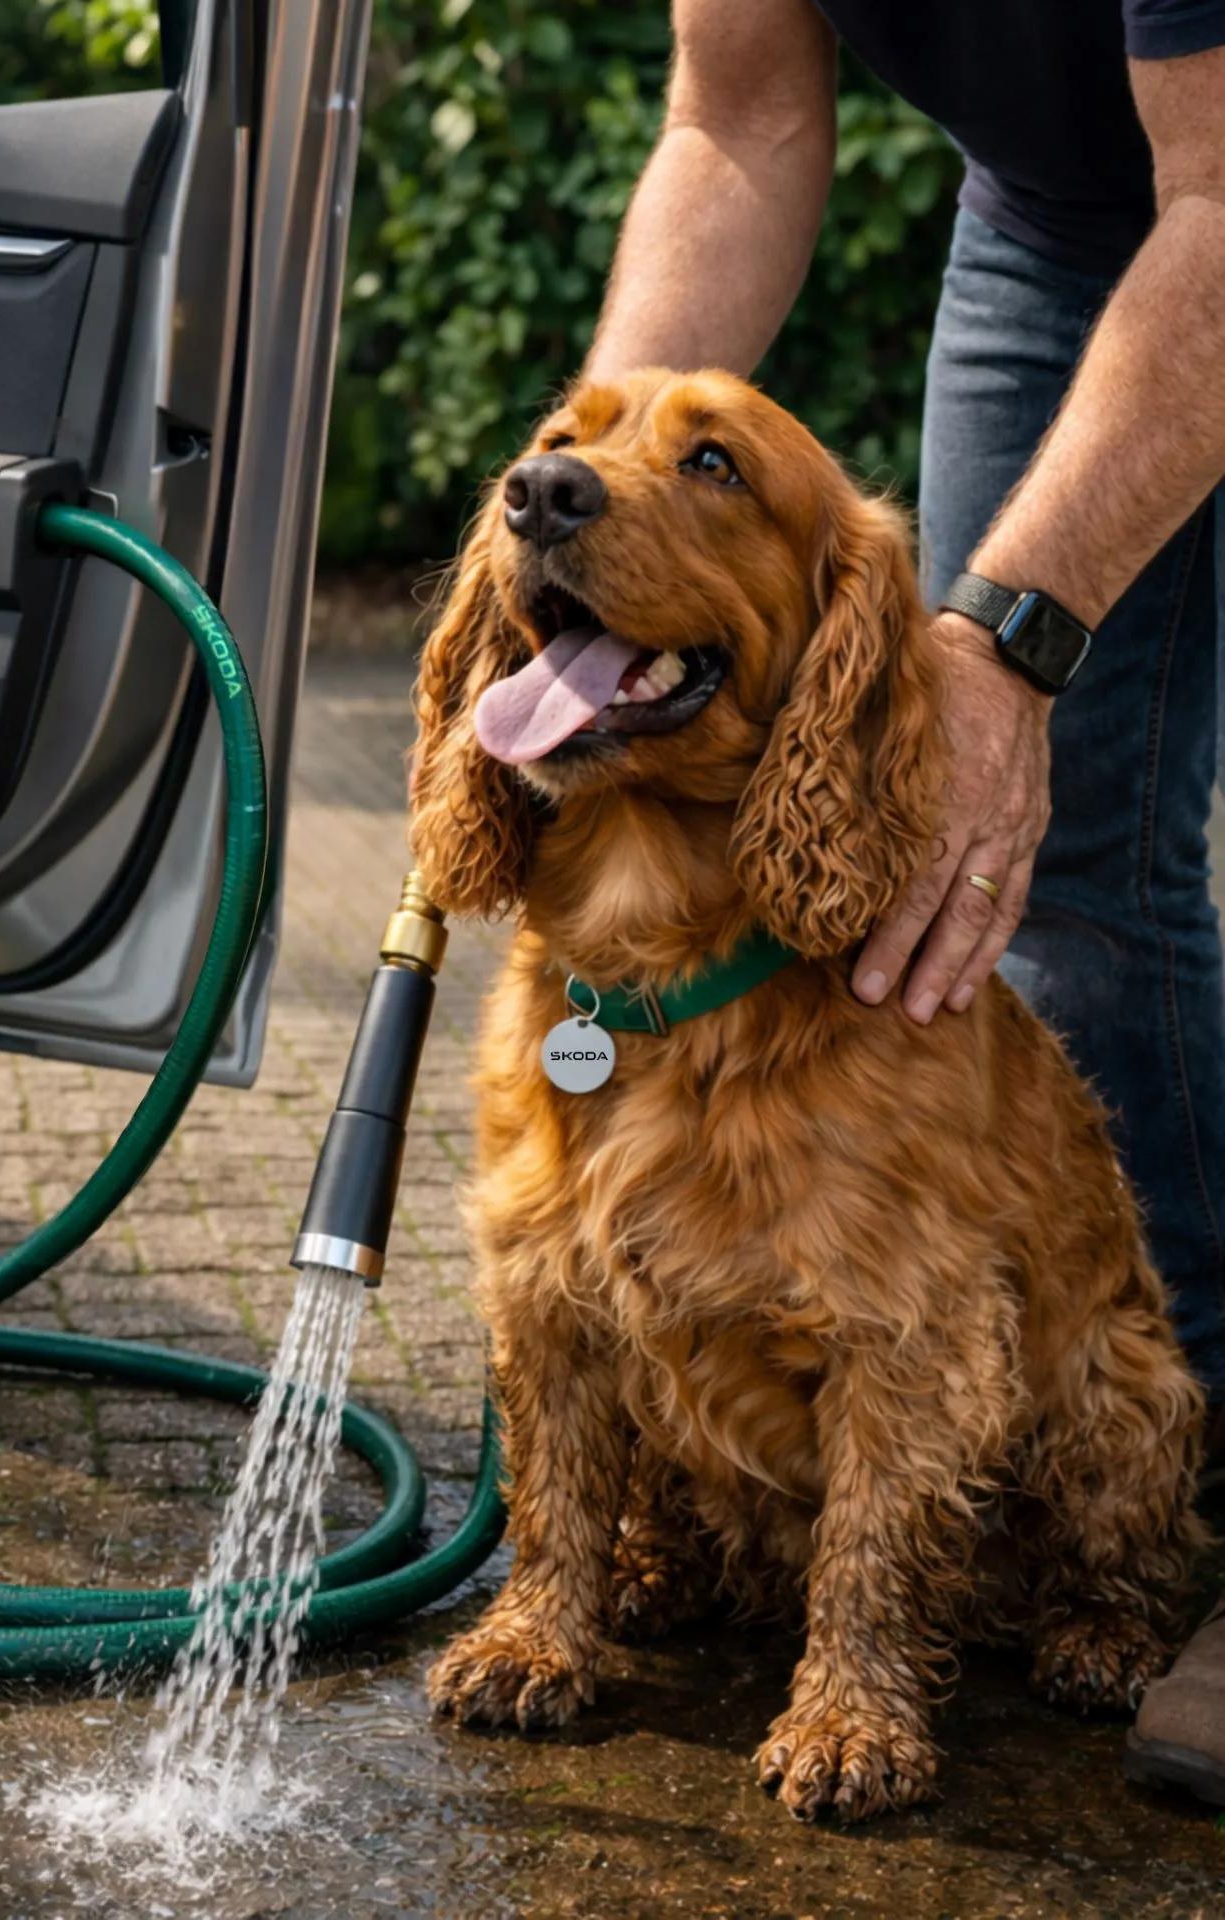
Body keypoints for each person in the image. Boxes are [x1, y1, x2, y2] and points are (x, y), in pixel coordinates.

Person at [578, 0, 1225, 1799]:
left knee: (1069, 798)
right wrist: (590, 509)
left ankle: (1196, 1506)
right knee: (1011, 862)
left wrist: (1013, 637)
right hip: (1060, 212)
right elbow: (736, 122)